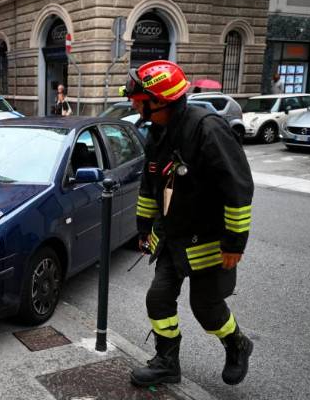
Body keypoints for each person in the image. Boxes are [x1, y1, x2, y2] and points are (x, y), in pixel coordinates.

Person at [122, 60, 254, 388]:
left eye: (138, 98)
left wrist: (234, 242)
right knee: (158, 298)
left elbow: (237, 186)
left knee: (206, 308)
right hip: (173, 236)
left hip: (209, 240)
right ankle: (167, 363)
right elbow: (150, 186)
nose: (133, 103)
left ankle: (237, 344)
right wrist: (143, 228)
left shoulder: (207, 128)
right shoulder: (156, 133)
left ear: (160, 100)